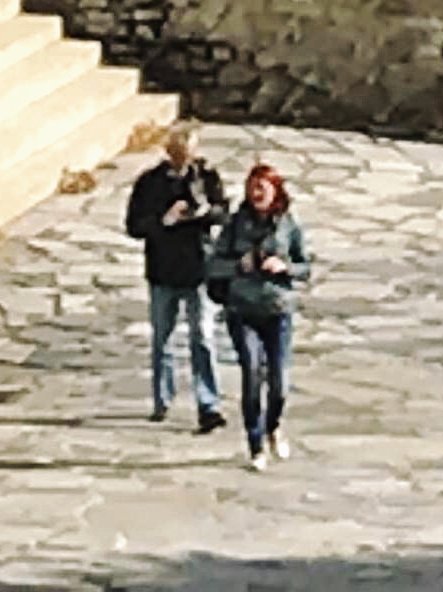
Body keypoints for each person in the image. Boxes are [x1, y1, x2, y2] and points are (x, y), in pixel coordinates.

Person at [122, 124, 227, 430]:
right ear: (169, 152)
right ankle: (162, 399)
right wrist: (163, 220)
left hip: (199, 267)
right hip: (163, 269)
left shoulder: (206, 177)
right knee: (162, 338)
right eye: (179, 154)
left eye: (189, 154)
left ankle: (209, 404)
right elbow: (134, 226)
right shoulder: (150, 183)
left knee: (203, 337)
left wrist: (204, 213)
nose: (184, 160)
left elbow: (223, 212)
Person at [209, 160, 311, 467]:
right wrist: (238, 266)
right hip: (243, 309)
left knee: (279, 380)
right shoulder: (236, 224)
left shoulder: (288, 224)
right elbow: (213, 264)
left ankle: (273, 425)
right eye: (251, 187)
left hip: (277, 310)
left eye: (262, 188)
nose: (256, 193)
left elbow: (305, 266)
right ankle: (255, 443)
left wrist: (285, 268)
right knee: (251, 373)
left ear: (275, 192)